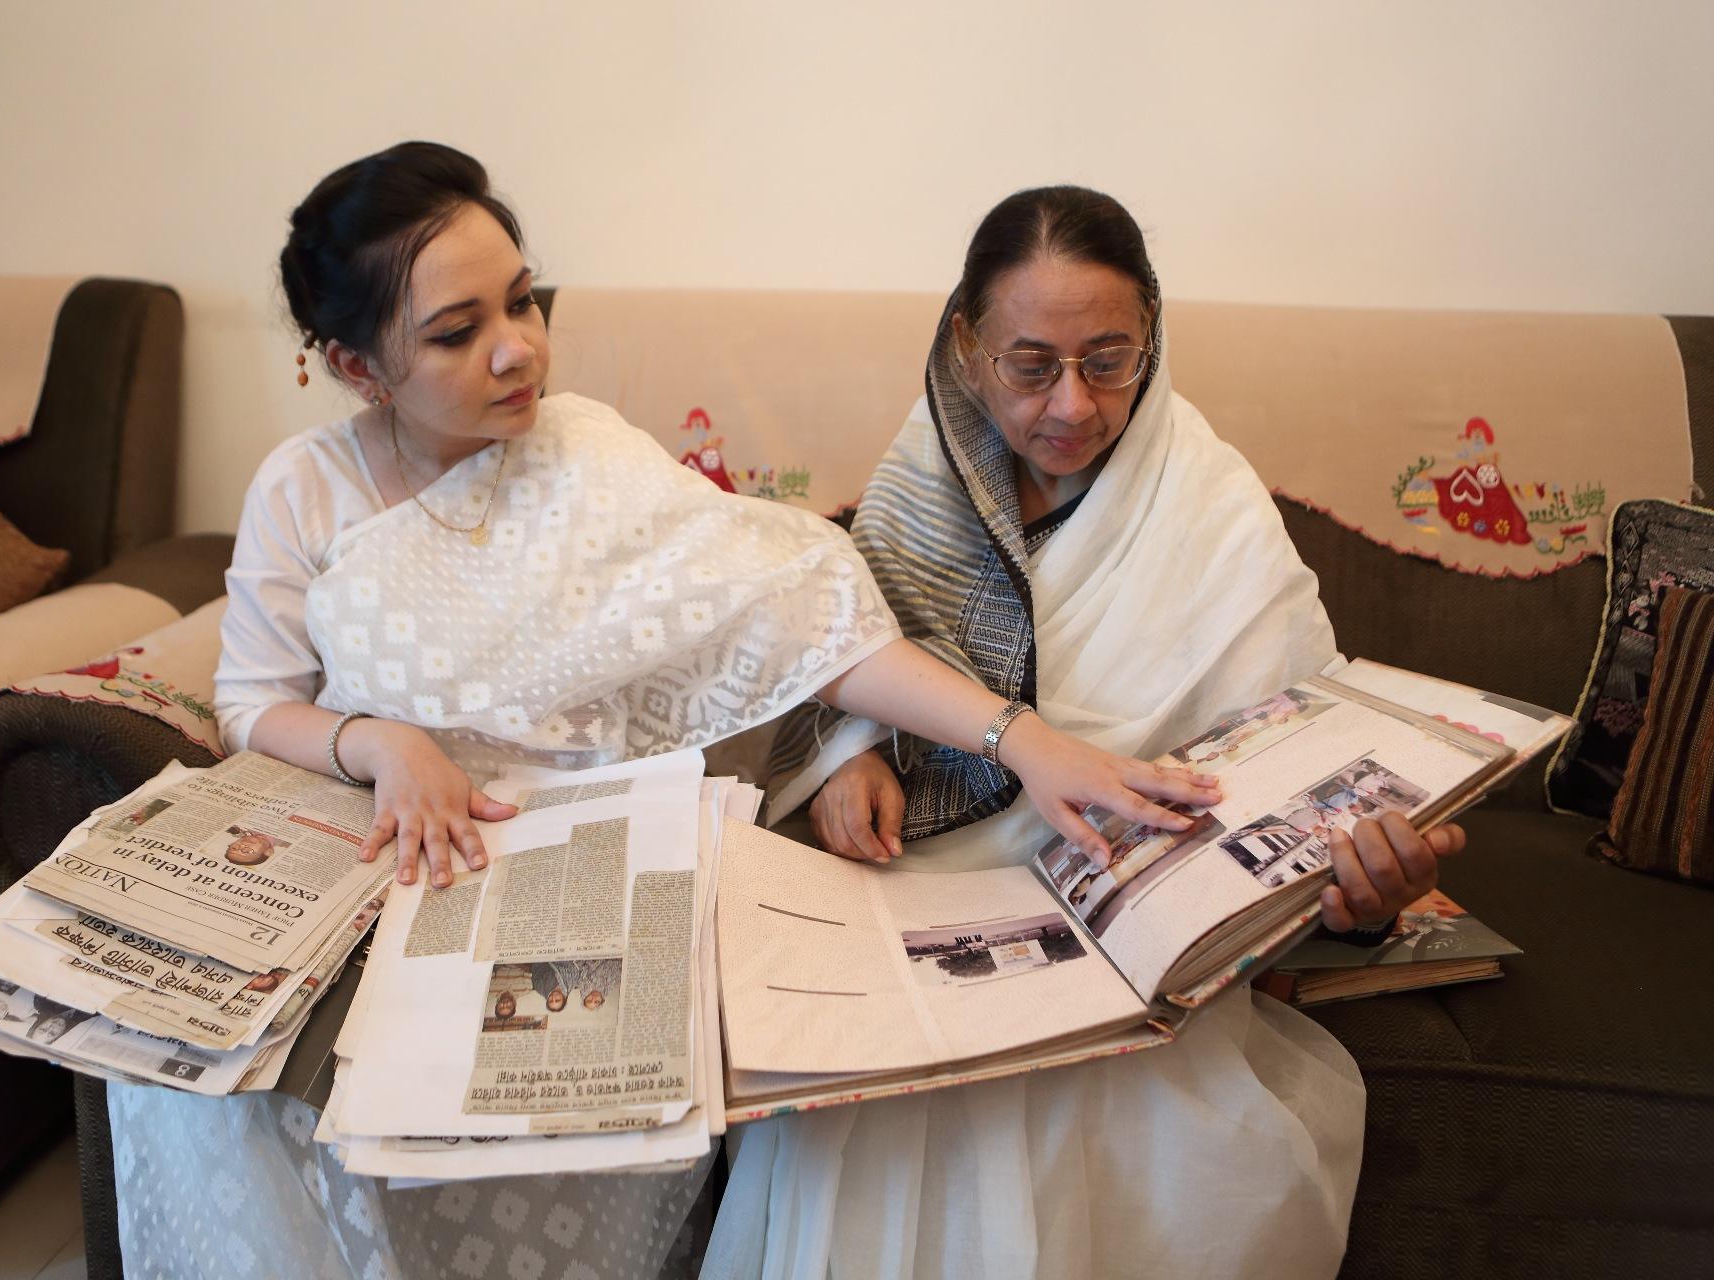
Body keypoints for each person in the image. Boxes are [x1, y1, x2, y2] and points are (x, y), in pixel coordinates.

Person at [105, 144, 1214, 1280]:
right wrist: (377, 741)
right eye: (455, 330)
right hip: (387, 857)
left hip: (573, 883)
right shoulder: (303, 488)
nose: (517, 348)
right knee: (221, 1084)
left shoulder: (583, 451)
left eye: (524, 300)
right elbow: (250, 703)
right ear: (354, 362)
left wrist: (1020, 740)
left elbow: (803, 615)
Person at [720, 186, 1468, 1278]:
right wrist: (850, 751)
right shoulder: (923, 471)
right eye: (1031, 366)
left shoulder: (1208, 503)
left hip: (1122, 926)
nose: (1072, 404)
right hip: (917, 893)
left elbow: (1293, 760)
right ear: (968, 349)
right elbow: (843, 653)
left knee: (1107, 1118)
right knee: (865, 1115)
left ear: (1151, 339)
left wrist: (1355, 885)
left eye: (1108, 360)